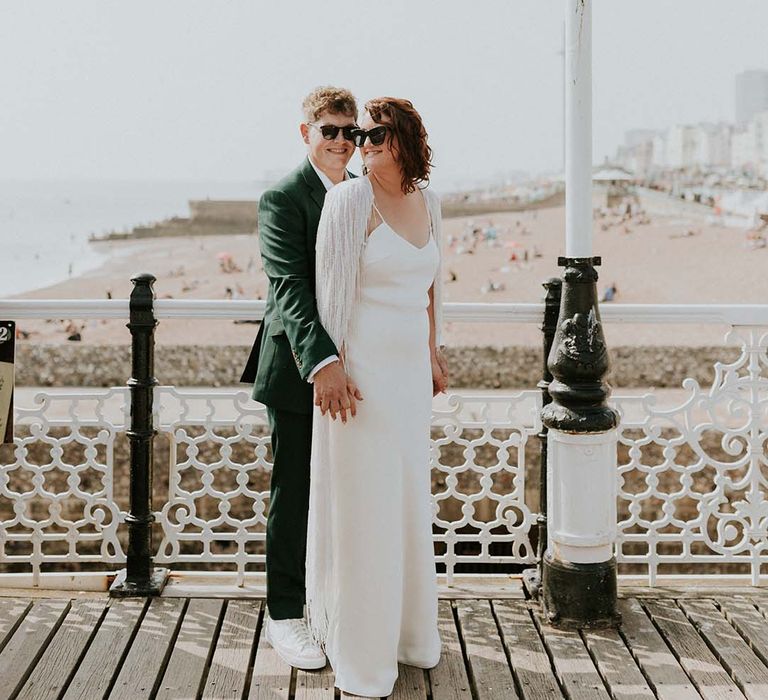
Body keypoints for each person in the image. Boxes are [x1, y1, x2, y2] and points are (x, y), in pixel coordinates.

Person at [306, 97, 448, 696]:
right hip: (360, 380)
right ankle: (365, 658)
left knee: (407, 501)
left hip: (410, 377)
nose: (361, 144)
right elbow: (329, 292)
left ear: (405, 139)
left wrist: (435, 352)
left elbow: (434, 288)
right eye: (357, 135)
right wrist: (330, 368)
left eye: (375, 134)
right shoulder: (348, 200)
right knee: (366, 511)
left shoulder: (430, 201)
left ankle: (410, 637)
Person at [239, 86, 362, 671]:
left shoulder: (364, 194)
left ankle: (337, 600)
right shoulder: (283, 197)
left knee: (348, 490)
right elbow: (288, 288)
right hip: (300, 370)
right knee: (294, 493)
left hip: (363, 371)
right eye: (330, 130)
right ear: (306, 133)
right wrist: (324, 361)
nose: (342, 141)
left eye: (350, 132)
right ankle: (284, 615)